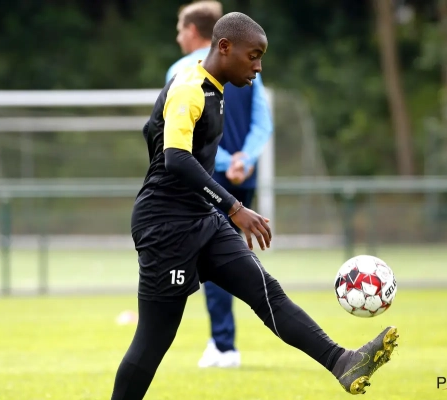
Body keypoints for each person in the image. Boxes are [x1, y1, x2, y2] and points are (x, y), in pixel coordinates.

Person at [110, 12, 398, 400]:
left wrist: (223, 207)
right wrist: (233, 207)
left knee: (268, 294)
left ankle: (344, 362)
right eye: (254, 56)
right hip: (166, 226)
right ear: (224, 47)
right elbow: (175, 159)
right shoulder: (189, 88)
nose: (258, 67)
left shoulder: (216, 89)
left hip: (202, 218)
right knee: (154, 339)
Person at [165, 0, 274, 369]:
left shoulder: (182, 71)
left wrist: (227, 163)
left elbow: (183, 142)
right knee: (229, 255)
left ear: (194, 31)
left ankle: (223, 345)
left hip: (208, 179)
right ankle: (226, 341)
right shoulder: (248, 65)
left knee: (211, 258)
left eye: (180, 30)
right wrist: (246, 159)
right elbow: (262, 122)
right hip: (244, 178)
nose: (178, 37)